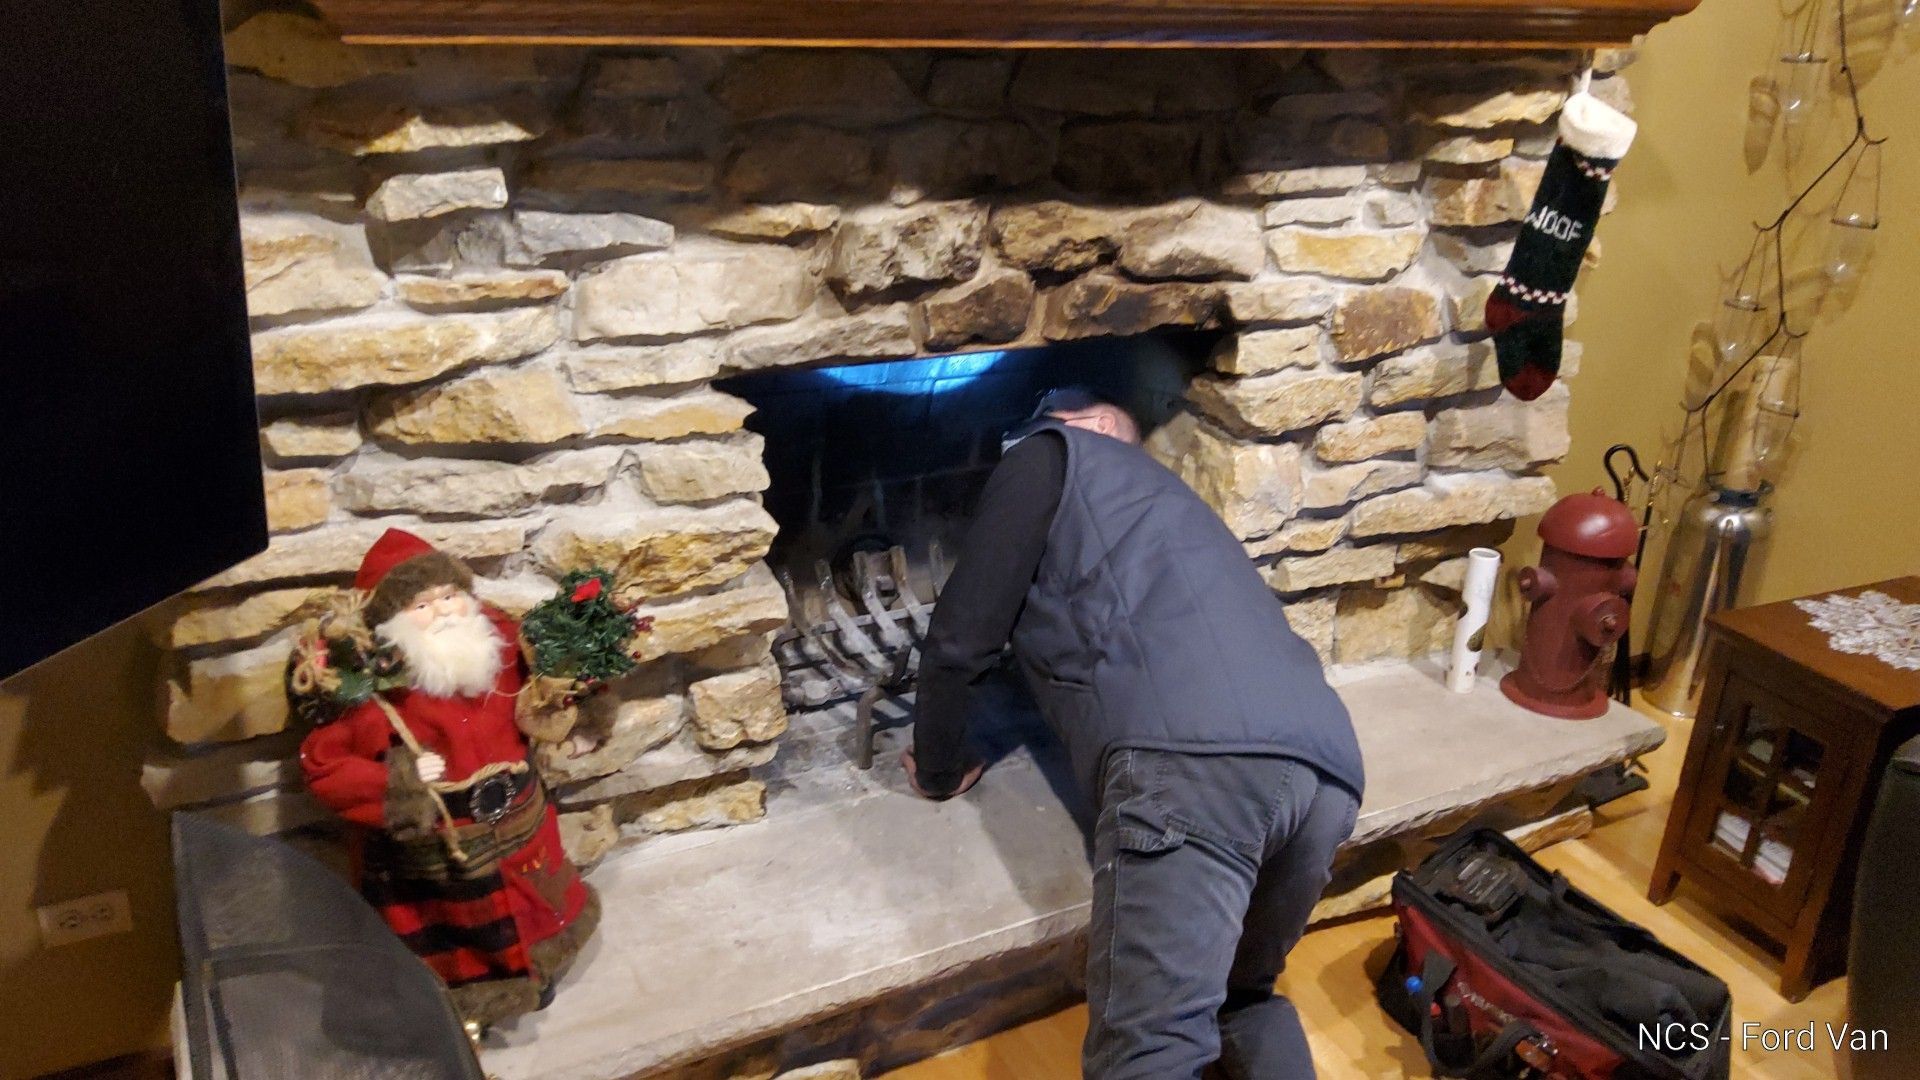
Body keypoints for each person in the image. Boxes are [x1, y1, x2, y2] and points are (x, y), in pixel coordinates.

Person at [903, 388, 1364, 1080]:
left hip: (1199, 767)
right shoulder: (1174, 512)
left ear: (1093, 425)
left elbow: (960, 637)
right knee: (1240, 999)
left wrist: (940, 765)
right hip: (1328, 774)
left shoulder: (1052, 455)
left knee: (1148, 1057)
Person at [299, 529, 598, 1027]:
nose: (442, 611)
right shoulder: (370, 693)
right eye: (422, 604)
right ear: (391, 621)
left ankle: (541, 970)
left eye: (450, 596)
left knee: (537, 910)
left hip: (522, 836)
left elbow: (562, 685)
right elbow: (323, 765)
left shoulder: (502, 645)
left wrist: (579, 713)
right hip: (441, 857)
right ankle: (460, 1004)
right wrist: (397, 779)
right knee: (455, 938)